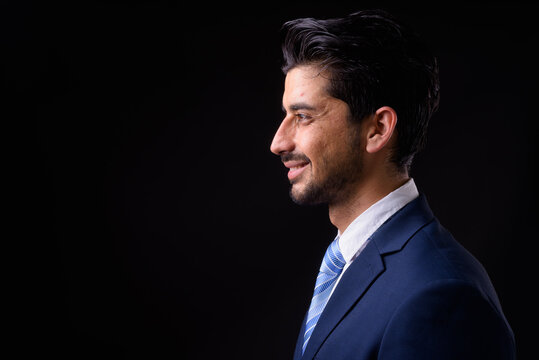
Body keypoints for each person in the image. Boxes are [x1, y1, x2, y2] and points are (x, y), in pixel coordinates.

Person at [270, 9, 516, 360]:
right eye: (286, 115)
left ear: (378, 129)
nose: (278, 142)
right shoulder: (347, 261)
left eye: (304, 116)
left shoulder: (442, 296)